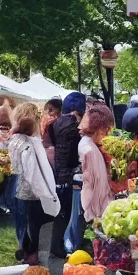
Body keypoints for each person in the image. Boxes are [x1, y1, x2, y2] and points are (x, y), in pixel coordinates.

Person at [7, 103, 60, 265]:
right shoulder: (29, 144)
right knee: (33, 224)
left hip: (16, 187)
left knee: (21, 222)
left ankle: (24, 250)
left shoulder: (14, 140)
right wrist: (43, 190)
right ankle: (31, 254)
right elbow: (33, 171)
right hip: (30, 190)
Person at [47, 92, 85, 259]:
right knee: (67, 213)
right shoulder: (74, 127)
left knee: (61, 213)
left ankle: (58, 244)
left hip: (58, 174)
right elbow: (72, 153)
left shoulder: (56, 123)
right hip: (69, 174)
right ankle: (59, 246)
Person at [78, 104, 115, 223]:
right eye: (106, 128)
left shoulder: (89, 144)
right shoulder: (89, 149)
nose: (108, 133)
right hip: (96, 207)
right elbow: (93, 183)